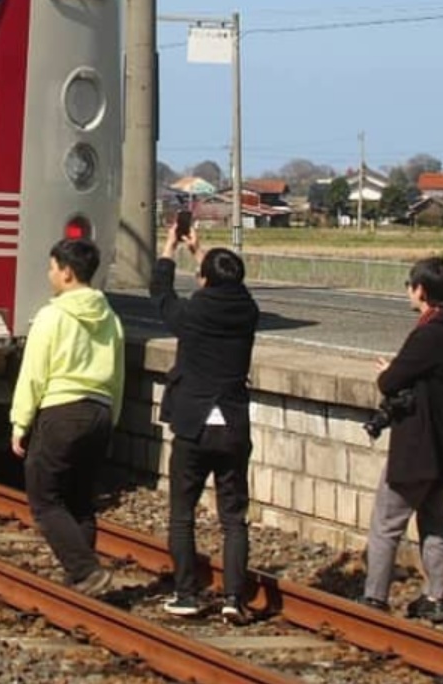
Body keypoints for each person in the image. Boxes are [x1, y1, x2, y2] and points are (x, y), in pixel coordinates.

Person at [151, 220, 260, 624]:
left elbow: (160, 294)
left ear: (204, 281)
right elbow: (232, 285)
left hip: (193, 424)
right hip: (232, 424)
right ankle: (234, 598)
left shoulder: (193, 314)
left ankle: (186, 594)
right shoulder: (248, 311)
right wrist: (203, 254)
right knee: (234, 517)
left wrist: (170, 247)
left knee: (183, 512)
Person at [359, 257, 443, 624]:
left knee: (387, 523)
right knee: (434, 523)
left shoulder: (428, 335)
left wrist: (387, 372)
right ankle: (436, 598)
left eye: (411, 285)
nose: (409, 291)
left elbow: (391, 382)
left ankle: (374, 598)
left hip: (417, 449)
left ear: (421, 291)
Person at [9, 238, 125, 596]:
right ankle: (83, 579)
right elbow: (119, 374)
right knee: (79, 500)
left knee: (44, 498)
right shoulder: (111, 319)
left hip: (62, 410)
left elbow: (34, 372)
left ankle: (86, 570)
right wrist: (112, 418)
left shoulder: (52, 315)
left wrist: (20, 421)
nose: (50, 274)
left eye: (52, 267)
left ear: (67, 272)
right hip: (101, 411)